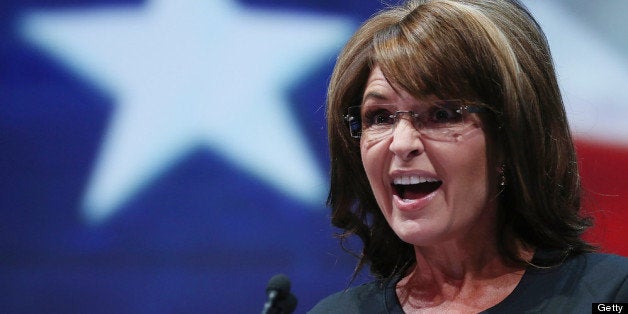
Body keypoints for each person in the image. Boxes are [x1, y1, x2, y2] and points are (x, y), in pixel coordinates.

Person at [309, 0, 628, 312]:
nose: (401, 143)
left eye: (442, 114)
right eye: (380, 118)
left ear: (510, 136)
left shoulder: (609, 294)